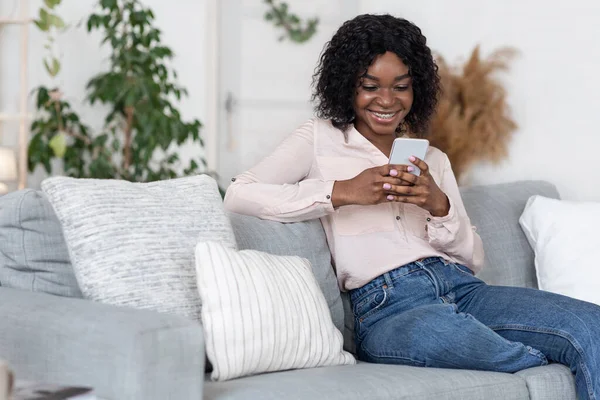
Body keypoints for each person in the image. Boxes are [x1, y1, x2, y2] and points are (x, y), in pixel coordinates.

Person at [224, 14, 599, 400]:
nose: (386, 101)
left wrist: (439, 205)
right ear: (347, 86)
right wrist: (341, 191)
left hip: (462, 287)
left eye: (401, 87)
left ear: (415, 88)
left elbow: (474, 258)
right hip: (388, 307)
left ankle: (556, 356)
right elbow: (239, 193)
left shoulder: (432, 159)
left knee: (591, 324)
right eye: (370, 87)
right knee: (464, 341)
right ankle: (544, 359)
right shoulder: (318, 139)